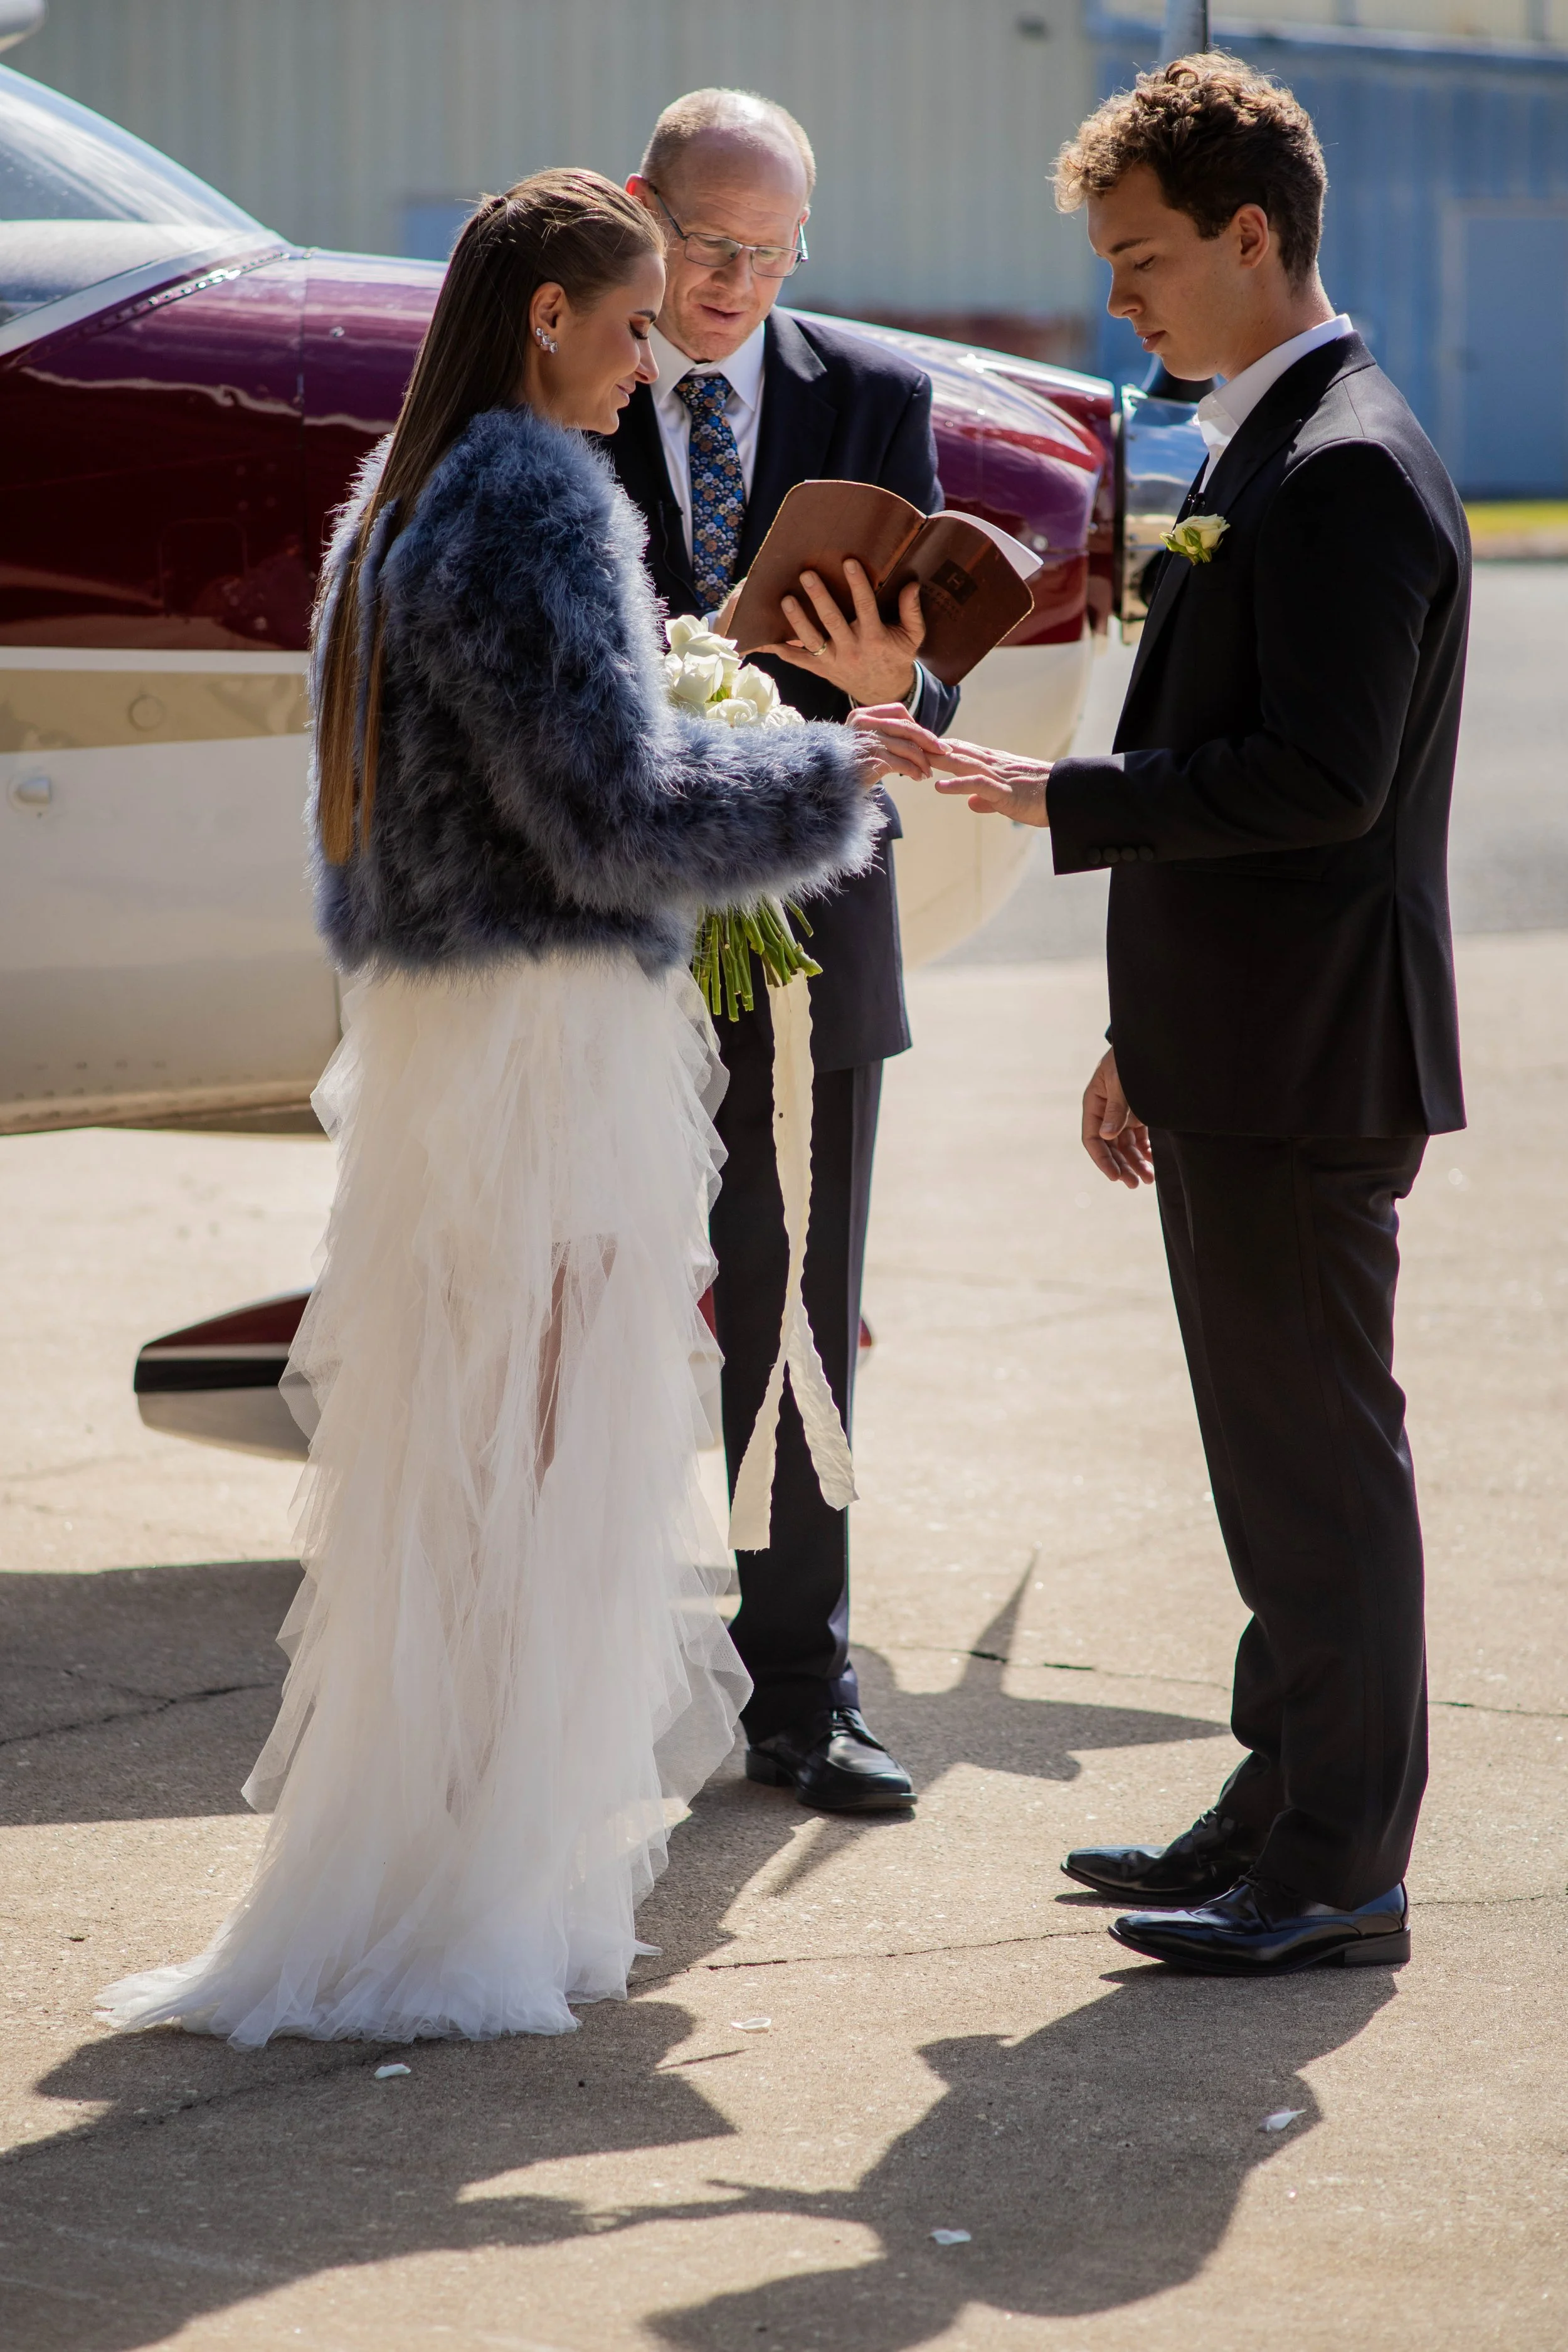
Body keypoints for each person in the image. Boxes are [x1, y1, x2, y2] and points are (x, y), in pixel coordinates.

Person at [97, 171, 886, 2047]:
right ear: (547, 314)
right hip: (542, 1033)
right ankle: (478, 1896)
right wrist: (832, 762)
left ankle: (430, 1859)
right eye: (627, 328)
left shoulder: (401, 490)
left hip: (439, 1029)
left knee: (455, 1462)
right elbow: (608, 811)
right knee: (548, 1460)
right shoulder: (533, 495)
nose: (646, 367)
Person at [858, 58, 1469, 1976]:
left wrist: (1058, 798)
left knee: (1318, 1465)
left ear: (1249, 235)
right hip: (1241, 1036)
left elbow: (1321, 781)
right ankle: (1272, 1794)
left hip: (1306, 1057)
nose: (1117, 299)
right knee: (1268, 1455)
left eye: (1139, 262)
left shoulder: (1346, 466)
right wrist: (1145, 1026)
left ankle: (1336, 1865)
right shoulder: (1266, 438)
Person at [608, 88, 959, 1814]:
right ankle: (568, 1683)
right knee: (572, 1303)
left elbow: (933, 683)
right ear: (638, 211)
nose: (733, 281)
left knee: (794, 1314)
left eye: (768, 251)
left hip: (812, 929)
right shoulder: (565, 382)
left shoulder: (876, 398)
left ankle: (800, 1694)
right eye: (702, 244)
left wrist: (893, 676)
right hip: (597, 937)